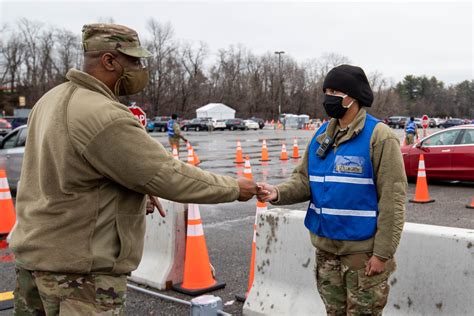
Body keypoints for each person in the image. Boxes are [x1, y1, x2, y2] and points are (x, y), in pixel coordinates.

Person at [9, 23, 258, 315]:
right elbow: (166, 174)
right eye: (135, 61)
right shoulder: (103, 113)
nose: (141, 69)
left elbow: (73, 174)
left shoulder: (50, 100)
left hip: (33, 263)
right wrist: (234, 188)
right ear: (109, 61)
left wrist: (133, 192)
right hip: (79, 277)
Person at [258, 64, 407, 315]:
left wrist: (382, 255)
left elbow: (393, 202)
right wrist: (277, 192)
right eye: (326, 90)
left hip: (362, 255)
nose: (328, 97)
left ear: (353, 97)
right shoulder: (321, 136)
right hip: (326, 252)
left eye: (335, 91)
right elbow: (304, 180)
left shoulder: (380, 137)